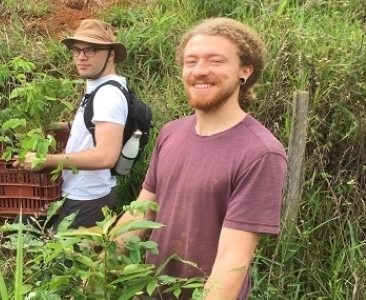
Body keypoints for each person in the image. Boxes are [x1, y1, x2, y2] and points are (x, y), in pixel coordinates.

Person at [115, 18, 288, 300]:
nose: (200, 71)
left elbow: (232, 261)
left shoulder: (260, 153)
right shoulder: (172, 133)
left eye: (216, 61)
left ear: (245, 71)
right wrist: (95, 274)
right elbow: (141, 211)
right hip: (147, 292)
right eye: (191, 61)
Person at [14, 19, 129, 230]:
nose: (81, 57)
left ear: (111, 55)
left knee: (63, 262)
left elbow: (106, 155)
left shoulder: (108, 95)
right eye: (76, 50)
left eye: (91, 50)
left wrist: (46, 159)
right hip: (77, 191)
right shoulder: (98, 87)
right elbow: (92, 126)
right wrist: (57, 126)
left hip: (87, 197)